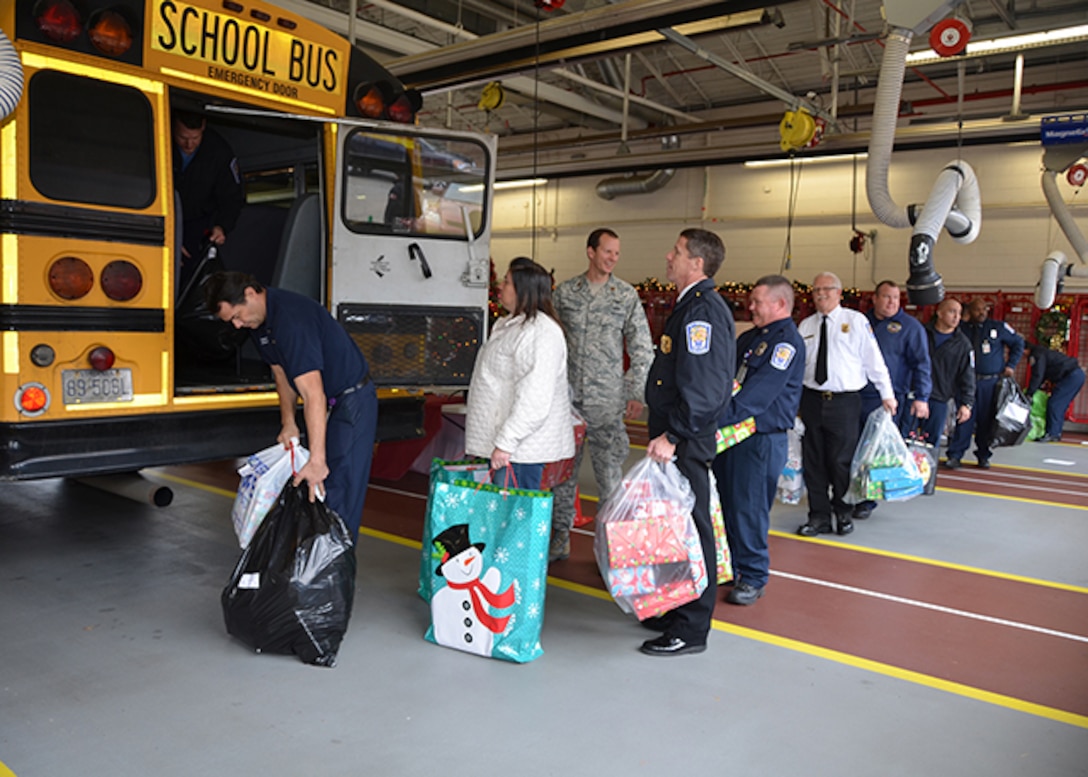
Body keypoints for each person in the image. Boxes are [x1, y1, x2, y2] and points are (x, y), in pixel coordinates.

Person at [205, 272, 377, 542]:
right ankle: (316, 566)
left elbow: (313, 395)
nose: (238, 325)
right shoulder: (259, 324)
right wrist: (289, 423)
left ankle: (334, 574)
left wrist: (317, 460)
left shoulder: (291, 320)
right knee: (321, 490)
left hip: (351, 401)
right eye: (232, 321)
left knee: (340, 488)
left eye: (237, 315)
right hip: (330, 404)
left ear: (250, 294)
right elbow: (281, 373)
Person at [640, 228, 735, 657]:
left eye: (676, 252)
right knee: (673, 528)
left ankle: (693, 627)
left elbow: (705, 388)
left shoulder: (702, 312)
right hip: (674, 435)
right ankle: (676, 606)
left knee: (693, 530)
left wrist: (674, 434)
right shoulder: (689, 306)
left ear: (696, 262)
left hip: (684, 440)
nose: (668, 257)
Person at [550, 228, 654, 562]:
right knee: (563, 477)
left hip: (608, 403)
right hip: (567, 402)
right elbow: (550, 342)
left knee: (610, 481)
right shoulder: (566, 293)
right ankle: (559, 538)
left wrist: (635, 391)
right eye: (607, 251)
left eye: (616, 253)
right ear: (590, 252)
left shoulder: (624, 295)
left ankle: (612, 552)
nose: (612, 258)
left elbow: (641, 348)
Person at [712, 275, 803, 606]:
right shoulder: (751, 337)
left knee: (749, 509)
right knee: (726, 504)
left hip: (759, 438)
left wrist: (712, 422)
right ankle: (732, 565)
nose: (750, 306)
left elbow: (756, 396)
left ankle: (753, 575)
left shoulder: (786, 344)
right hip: (733, 435)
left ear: (780, 304)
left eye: (757, 301)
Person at [797, 272, 895, 538]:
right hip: (812, 400)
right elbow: (796, 369)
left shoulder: (856, 321)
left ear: (839, 293)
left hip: (845, 402)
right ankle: (818, 516)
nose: (821, 295)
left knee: (841, 462)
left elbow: (874, 361)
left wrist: (887, 394)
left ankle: (843, 513)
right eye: (816, 290)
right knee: (814, 462)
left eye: (827, 289)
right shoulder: (805, 326)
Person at [464, 258, 575, 490]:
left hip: (521, 452)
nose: (500, 287)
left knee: (513, 519)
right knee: (498, 517)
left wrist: (506, 442)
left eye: (507, 282)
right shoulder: (510, 325)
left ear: (524, 290)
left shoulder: (541, 333)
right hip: (507, 448)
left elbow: (535, 398)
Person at [853, 279, 932, 520]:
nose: (891, 302)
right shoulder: (859, 322)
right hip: (853, 395)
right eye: (886, 297)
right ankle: (848, 491)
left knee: (876, 451)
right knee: (850, 446)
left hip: (887, 399)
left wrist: (922, 397)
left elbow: (922, 364)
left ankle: (867, 499)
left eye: (896, 298)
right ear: (874, 298)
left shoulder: (910, 327)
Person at [945, 298, 1024, 469]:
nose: (981, 313)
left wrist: (1011, 365)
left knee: (986, 421)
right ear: (969, 312)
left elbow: (1018, 343)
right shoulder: (961, 329)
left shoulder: (998, 327)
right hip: (967, 382)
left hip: (990, 383)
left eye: (984, 309)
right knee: (963, 419)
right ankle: (955, 455)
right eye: (977, 310)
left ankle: (983, 455)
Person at [173, 110, 245, 274]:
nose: (189, 144)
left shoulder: (219, 152)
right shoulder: (157, 140)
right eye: (183, 137)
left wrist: (222, 226)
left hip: (198, 224)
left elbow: (232, 198)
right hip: (162, 220)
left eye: (195, 138)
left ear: (204, 126)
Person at [919, 298, 975, 453]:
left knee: (931, 444)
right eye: (952, 312)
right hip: (914, 395)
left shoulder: (963, 344)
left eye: (959, 313)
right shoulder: (922, 333)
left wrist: (967, 403)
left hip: (939, 398)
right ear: (939, 313)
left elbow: (968, 375)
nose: (957, 317)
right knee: (904, 438)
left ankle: (926, 475)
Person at [1026, 343, 1085, 442]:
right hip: (1076, 376)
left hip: (1071, 376)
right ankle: (1055, 433)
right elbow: (1042, 375)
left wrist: (1030, 393)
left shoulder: (1037, 354)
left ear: (1026, 350)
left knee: (1055, 404)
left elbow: (1038, 375)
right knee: (1058, 404)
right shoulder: (1042, 352)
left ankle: (1052, 434)